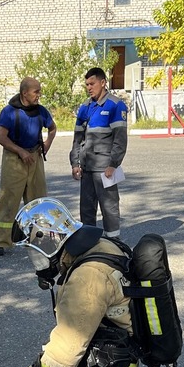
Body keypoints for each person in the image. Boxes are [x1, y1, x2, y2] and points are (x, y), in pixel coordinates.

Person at [8, 198, 156, 367]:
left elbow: (64, 357)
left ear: (49, 242)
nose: (36, 263)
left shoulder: (85, 279)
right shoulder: (100, 246)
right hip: (116, 352)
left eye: (34, 254)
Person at [0, 77, 57, 256]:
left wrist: (46, 145)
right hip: (14, 160)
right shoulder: (8, 112)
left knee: (38, 201)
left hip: (35, 158)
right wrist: (20, 151)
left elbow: (52, 128)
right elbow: (1, 138)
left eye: (39, 91)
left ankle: (40, 239)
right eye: (36, 92)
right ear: (24, 93)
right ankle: (1, 242)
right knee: (8, 200)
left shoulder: (41, 111)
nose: (39, 95)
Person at [70, 67, 128, 238]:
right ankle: (90, 243)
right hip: (87, 168)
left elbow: (120, 140)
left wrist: (113, 164)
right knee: (86, 209)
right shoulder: (85, 108)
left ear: (103, 83)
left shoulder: (115, 106)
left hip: (105, 168)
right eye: (87, 84)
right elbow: (77, 139)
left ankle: (114, 242)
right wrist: (75, 163)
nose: (89, 87)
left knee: (109, 208)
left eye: (92, 83)